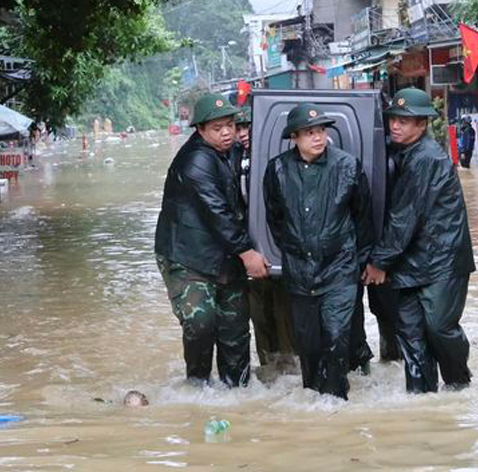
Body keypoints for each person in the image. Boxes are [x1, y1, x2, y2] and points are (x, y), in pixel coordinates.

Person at [362, 88, 475, 394]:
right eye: (393, 119)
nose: (395, 125)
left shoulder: (426, 157)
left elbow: (405, 217)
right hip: (409, 262)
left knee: (440, 327)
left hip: (442, 260)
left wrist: (379, 262)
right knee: (411, 336)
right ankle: (421, 398)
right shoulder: (403, 151)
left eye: (404, 120)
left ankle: (458, 384)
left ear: (422, 125)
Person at [154, 93, 270, 387]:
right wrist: (247, 253)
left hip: (224, 254)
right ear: (200, 130)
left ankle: (237, 390)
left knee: (235, 327)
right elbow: (217, 211)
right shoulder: (195, 161)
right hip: (187, 255)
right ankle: (197, 387)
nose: (227, 132)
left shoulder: (231, 152)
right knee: (201, 322)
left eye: (230, 125)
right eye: (218, 128)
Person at [263, 103, 374, 400]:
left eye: (321, 130)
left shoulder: (348, 166)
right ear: (294, 138)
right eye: (310, 132)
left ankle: (335, 400)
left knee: (336, 338)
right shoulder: (277, 169)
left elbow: (363, 217)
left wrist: (361, 260)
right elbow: (274, 217)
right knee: (308, 345)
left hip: (339, 268)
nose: (318, 137)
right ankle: (312, 400)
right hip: (299, 272)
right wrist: (293, 246)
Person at [234, 105, 299, 375]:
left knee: (285, 309)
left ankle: (291, 365)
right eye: (238, 128)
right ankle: (269, 368)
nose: (243, 133)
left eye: (247, 127)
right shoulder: (232, 161)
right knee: (258, 311)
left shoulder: (280, 159)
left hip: (280, 246)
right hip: (247, 249)